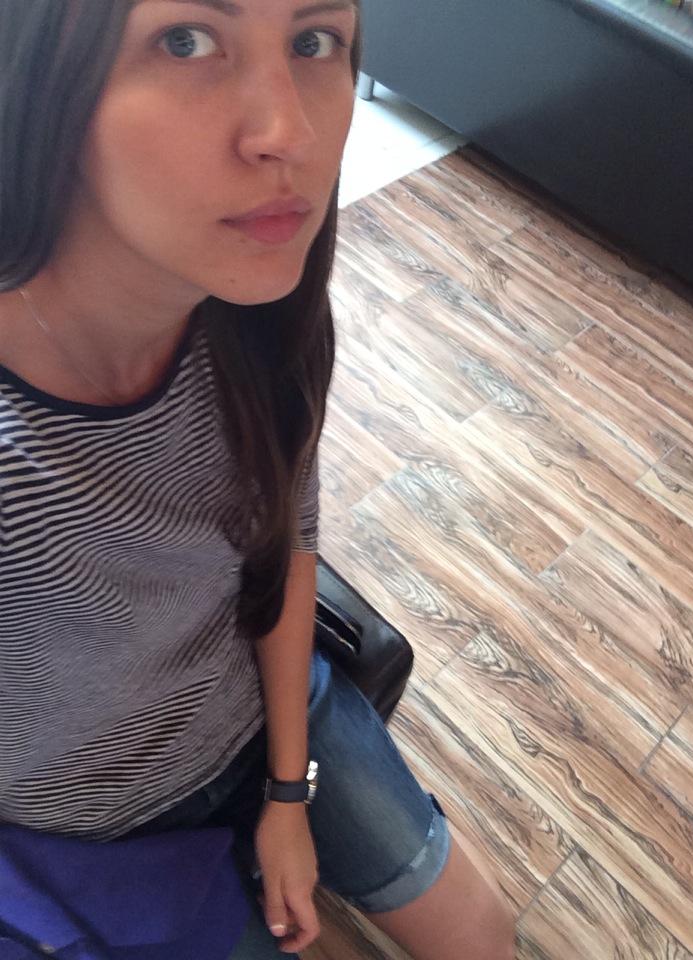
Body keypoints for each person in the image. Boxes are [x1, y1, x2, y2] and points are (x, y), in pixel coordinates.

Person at [0, 1, 516, 957]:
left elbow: (283, 554)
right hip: (94, 827)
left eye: (315, 41)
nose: (293, 132)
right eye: (186, 39)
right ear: (40, 80)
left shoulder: (261, 325)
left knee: (482, 934)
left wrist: (287, 792)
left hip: (260, 716)